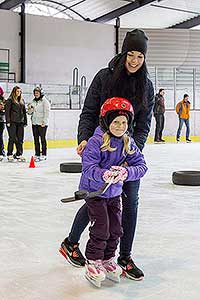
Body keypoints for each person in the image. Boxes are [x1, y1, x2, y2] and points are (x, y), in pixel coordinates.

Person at [59, 29, 154, 280]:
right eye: (130, 54)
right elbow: (89, 111)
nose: (134, 61)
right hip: (101, 149)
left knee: (129, 202)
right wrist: (84, 138)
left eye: (140, 57)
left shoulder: (147, 85)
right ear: (123, 53)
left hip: (128, 153)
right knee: (97, 197)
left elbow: (144, 124)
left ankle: (124, 256)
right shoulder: (104, 77)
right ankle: (71, 243)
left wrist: (134, 151)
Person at [72, 97, 147, 287]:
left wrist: (126, 172)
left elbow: (142, 166)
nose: (120, 126)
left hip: (114, 193)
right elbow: (88, 169)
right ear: (106, 121)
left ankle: (107, 259)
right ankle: (94, 261)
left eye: (124, 122)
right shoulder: (95, 142)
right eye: (116, 122)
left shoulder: (127, 142)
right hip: (94, 193)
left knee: (116, 228)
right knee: (101, 227)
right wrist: (104, 174)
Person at [27, 87, 50, 161]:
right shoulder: (33, 101)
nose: (36, 94)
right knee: (36, 139)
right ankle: (37, 154)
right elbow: (29, 113)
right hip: (34, 122)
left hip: (42, 123)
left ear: (41, 93)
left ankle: (43, 154)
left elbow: (47, 112)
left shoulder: (44, 101)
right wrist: (30, 109)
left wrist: (44, 121)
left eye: (37, 93)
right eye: (35, 93)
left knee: (42, 139)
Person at [5, 86, 27, 162]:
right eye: (17, 91)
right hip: (12, 122)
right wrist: (8, 121)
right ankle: (9, 154)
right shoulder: (10, 100)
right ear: (14, 92)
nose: (19, 93)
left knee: (20, 139)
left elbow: (24, 112)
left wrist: (25, 121)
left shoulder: (22, 100)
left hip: (20, 122)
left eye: (20, 91)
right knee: (12, 138)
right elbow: (7, 112)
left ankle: (19, 154)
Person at [0, 86, 6, 161]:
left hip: (1, 121)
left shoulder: (3, 101)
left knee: (0, 137)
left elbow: (5, 111)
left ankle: (1, 151)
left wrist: (2, 109)